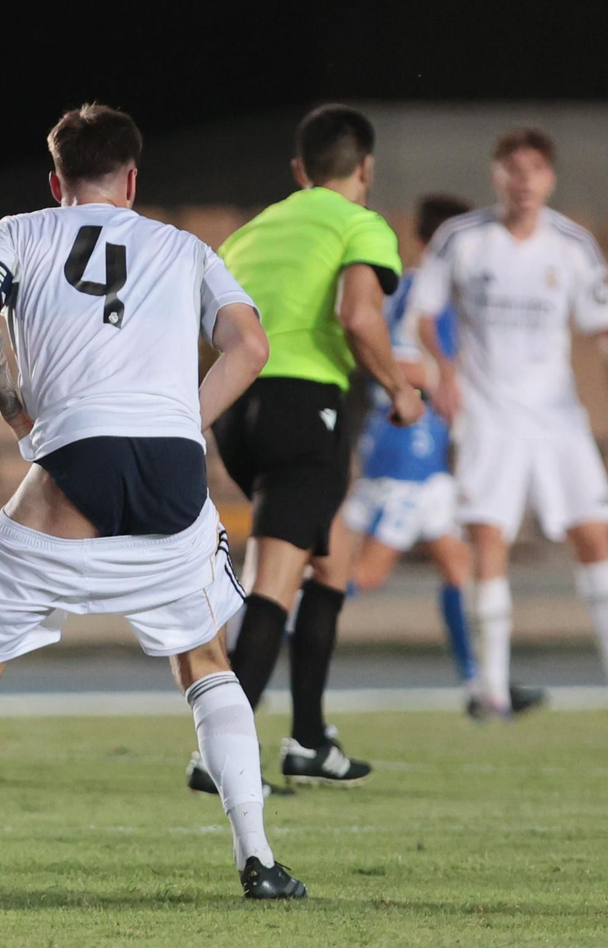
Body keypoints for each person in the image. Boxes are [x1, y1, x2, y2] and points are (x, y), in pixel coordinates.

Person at [0, 104, 305, 901]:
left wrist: (13, 407)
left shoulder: (17, 231)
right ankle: (260, 861)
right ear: (133, 177)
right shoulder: (184, 248)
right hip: (174, 473)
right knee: (205, 658)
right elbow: (251, 345)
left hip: (75, 459)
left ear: (56, 180)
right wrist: (186, 417)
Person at [409, 127, 608, 724]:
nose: (523, 180)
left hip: (557, 420)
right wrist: (445, 372)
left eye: (534, 169)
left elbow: (605, 319)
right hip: (490, 417)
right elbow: (426, 313)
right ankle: (492, 693)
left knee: (595, 538)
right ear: (496, 174)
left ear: (549, 179)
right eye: (512, 168)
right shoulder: (461, 240)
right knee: (489, 542)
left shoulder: (572, 245)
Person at [202, 105, 423, 791]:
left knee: (331, 563)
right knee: (276, 578)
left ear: (299, 172)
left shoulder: (250, 232)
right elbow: (357, 315)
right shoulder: (362, 224)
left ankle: (307, 740)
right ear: (366, 168)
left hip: (239, 411)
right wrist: (399, 388)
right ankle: (218, 755)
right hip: (306, 406)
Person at [339, 194, 544, 720]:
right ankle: (259, 638)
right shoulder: (416, 293)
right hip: (407, 443)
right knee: (368, 573)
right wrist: (443, 378)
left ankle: (480, 685)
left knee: (458, 565)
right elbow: (380, 354)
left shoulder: (450, 293)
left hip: (426, 450)